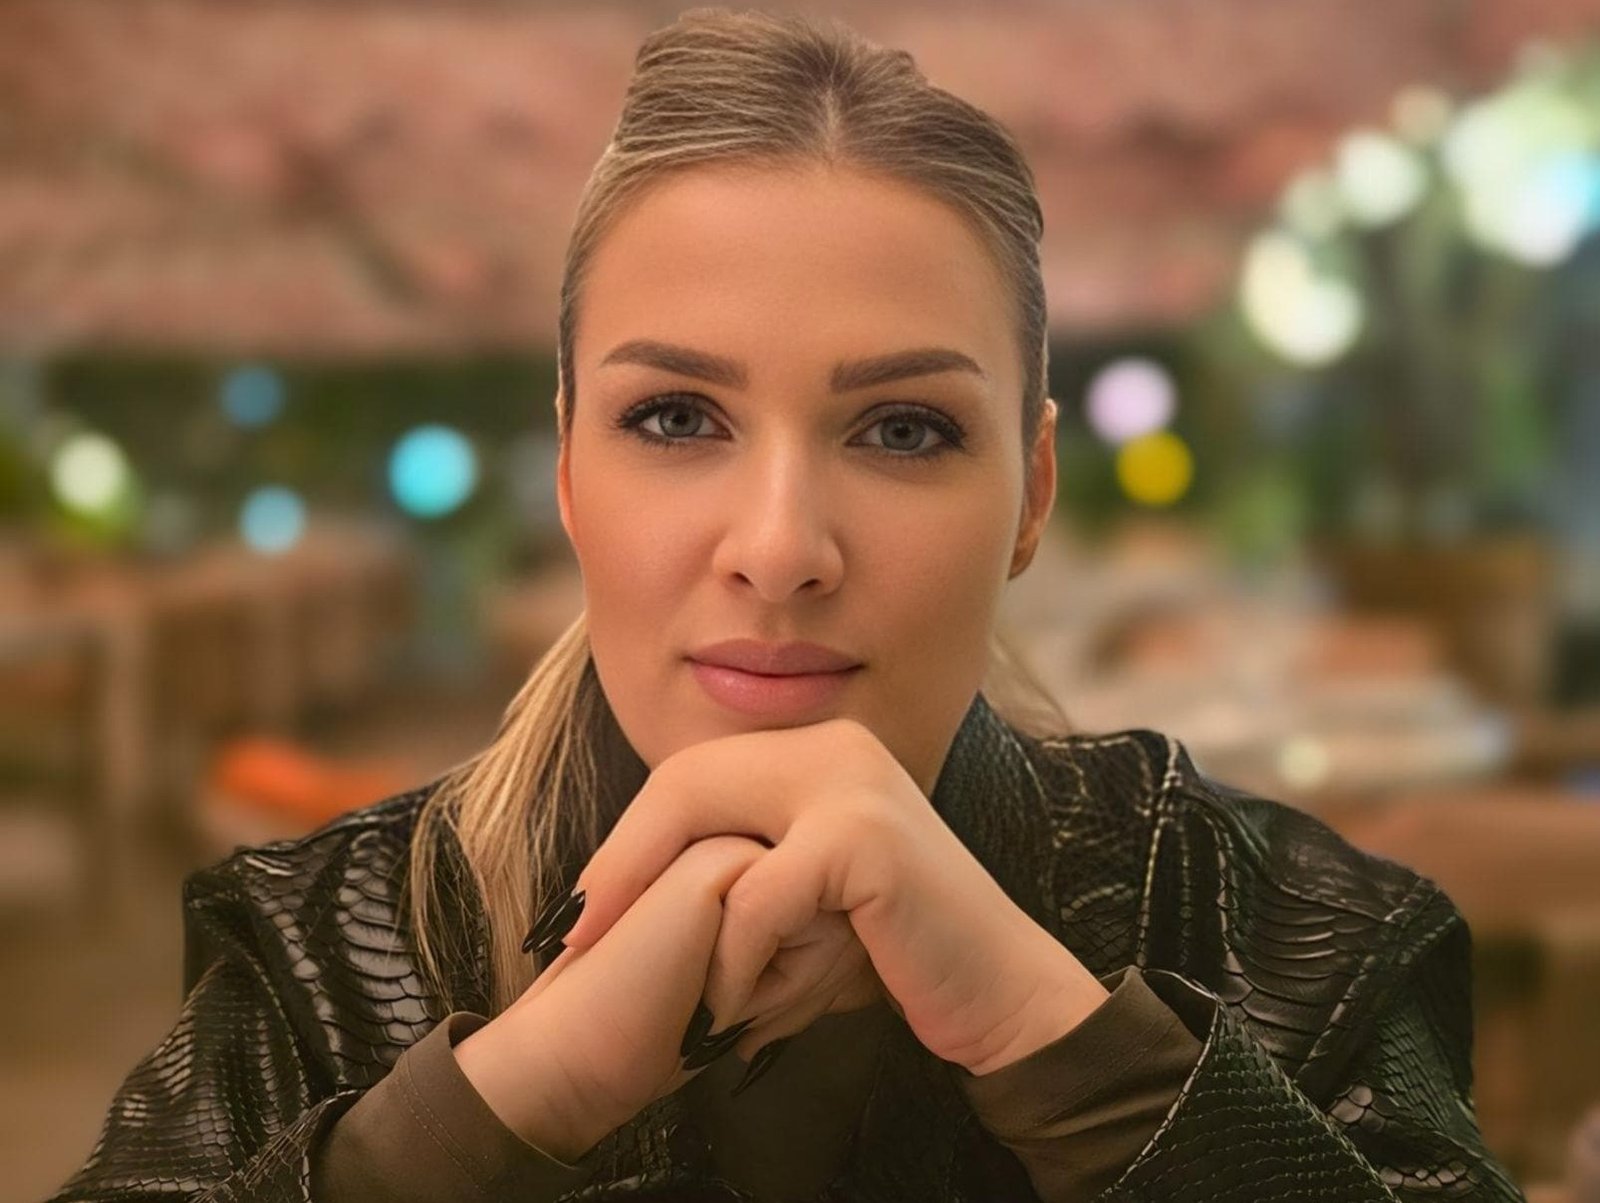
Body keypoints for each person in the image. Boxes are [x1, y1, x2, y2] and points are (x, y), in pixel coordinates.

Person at [48, 8, 1527, 1203]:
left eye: (904, 430)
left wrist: (1050, 1037)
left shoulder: (1292, 938)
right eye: (676, 419)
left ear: (1030, 495)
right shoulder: (318, 951)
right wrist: (506, 1105)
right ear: (568, 474)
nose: (779, 549)